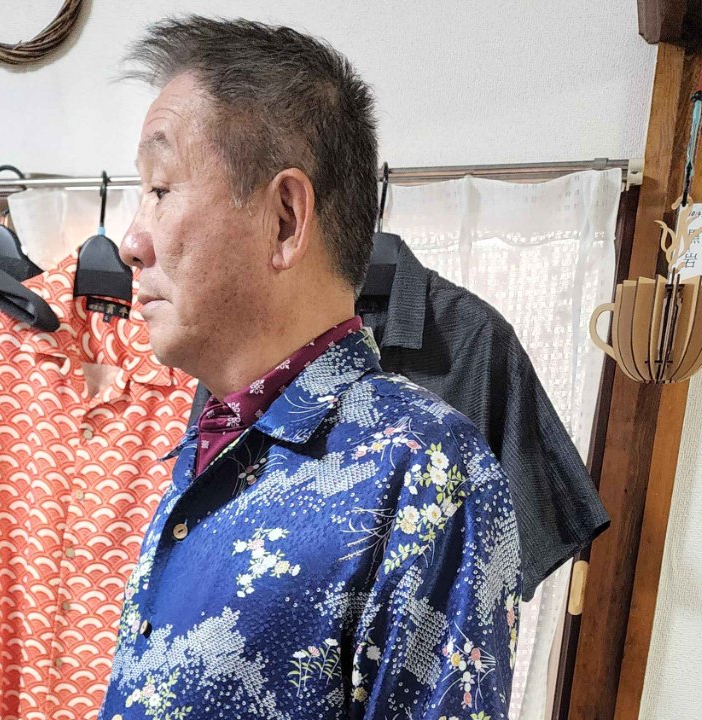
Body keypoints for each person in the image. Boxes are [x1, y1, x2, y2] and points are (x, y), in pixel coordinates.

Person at [101, 16, 521, 720]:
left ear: (286, 219)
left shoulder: (424, 467)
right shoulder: (216, 435)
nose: (131, 242)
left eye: (162, 189)